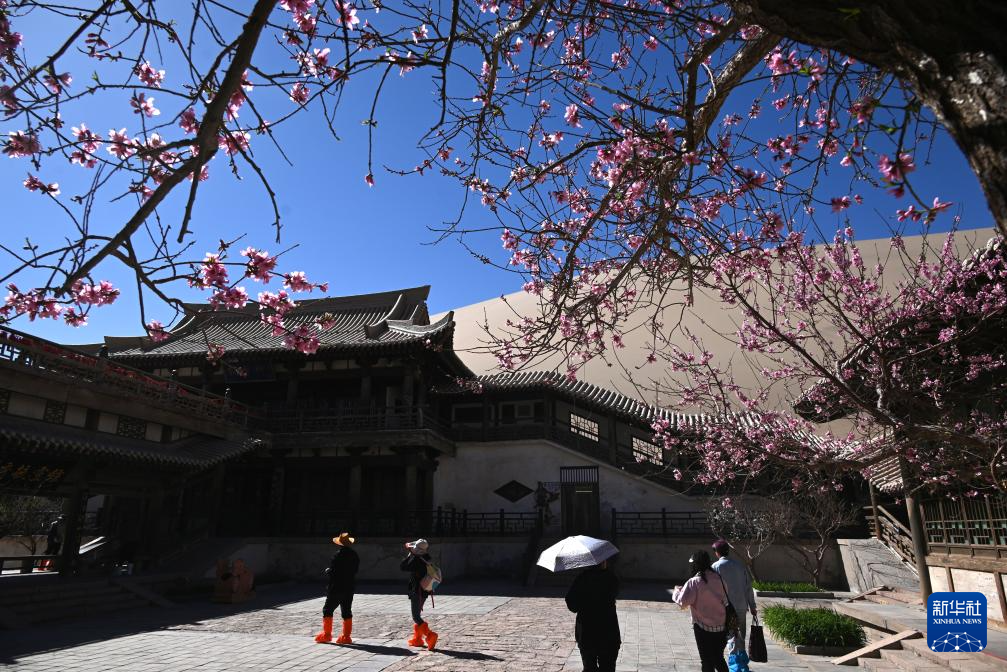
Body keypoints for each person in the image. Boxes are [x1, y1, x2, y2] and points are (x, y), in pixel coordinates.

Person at [672, 551, 730, 672]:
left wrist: (677, 591)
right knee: (718, 658)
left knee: (706, 660)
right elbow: (725, 598)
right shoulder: (719, 578)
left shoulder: (694, 582)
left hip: (702, 628)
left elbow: (683, 602)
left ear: (696, 565)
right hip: (721, 627)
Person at [565, 559, 621, 672]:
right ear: (603, 562)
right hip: (608, 630)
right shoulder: (611, 578)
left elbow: (571, 604)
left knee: (589, 667)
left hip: (587, 631)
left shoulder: (582, 579)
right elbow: (615, 593)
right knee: (608, 667)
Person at [711, 539, 757, 658]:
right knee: (741, 636)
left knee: (729, 636)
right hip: (741, 606)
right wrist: (752, 606)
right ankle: (741, 660)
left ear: (717, 552)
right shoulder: (740, 566)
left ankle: (732, 661)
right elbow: (748, 587)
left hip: (725, 608)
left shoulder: (715, 567)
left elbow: (712, 589)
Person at [314, 532, 360, 644]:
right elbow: (354, 570)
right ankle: (346, 636)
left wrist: (328, 571)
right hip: (349, 586)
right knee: (346, 611)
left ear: (339, 543)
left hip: (336, 587)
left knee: (327, 610)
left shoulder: (338, 555)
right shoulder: (354, 555)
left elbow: (335, 572)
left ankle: (327, 634)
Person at [401, 538, 438, 650]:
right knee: (417, 614)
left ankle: (430, 635)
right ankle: (417, 639)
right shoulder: (426, 557)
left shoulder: (416, 560)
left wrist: (410, 555)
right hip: (425, 590)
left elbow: (403, 566)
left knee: (416, 617)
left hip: (417, 591)